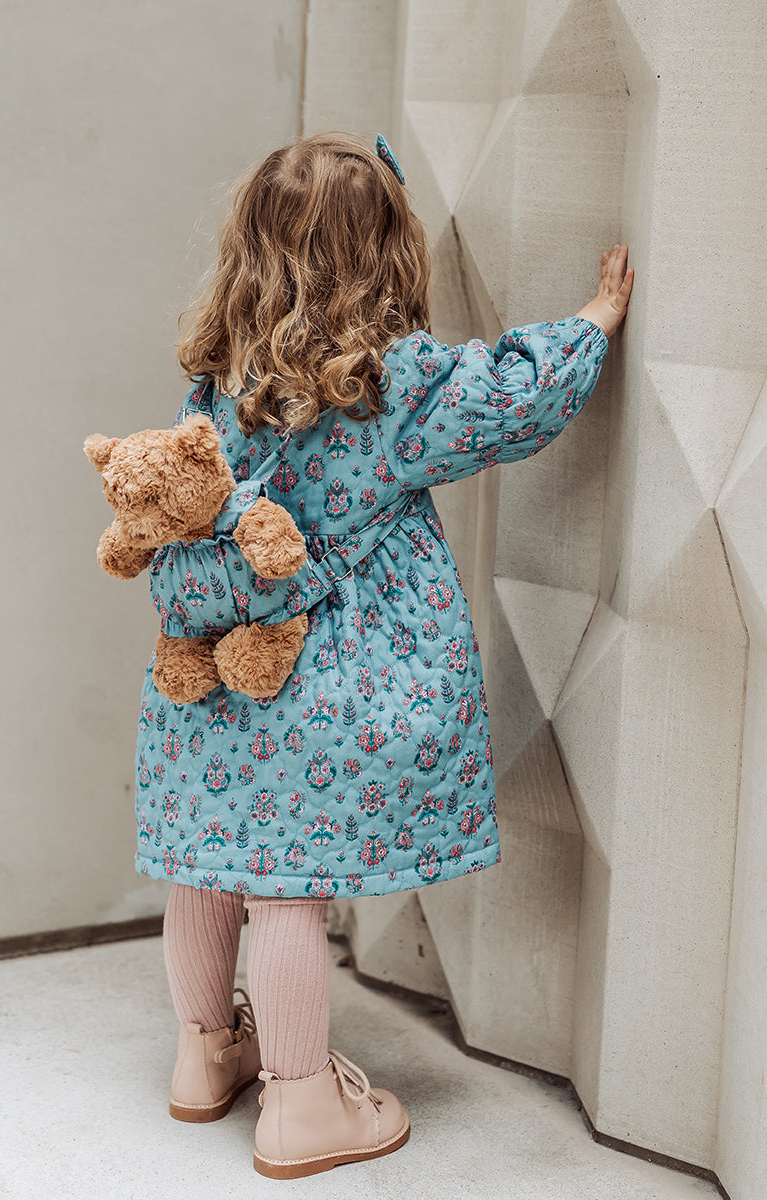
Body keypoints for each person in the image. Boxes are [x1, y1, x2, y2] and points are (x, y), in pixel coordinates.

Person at [136, 132, 632, 1179]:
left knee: (208, 866)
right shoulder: (392, 382)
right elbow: (510, 398)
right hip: (334, 678)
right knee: (286, 890)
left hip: (213, 669)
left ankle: (204, 1057)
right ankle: (302, 1105)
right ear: (387, 253)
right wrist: (591, 322)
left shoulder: (217, 381)